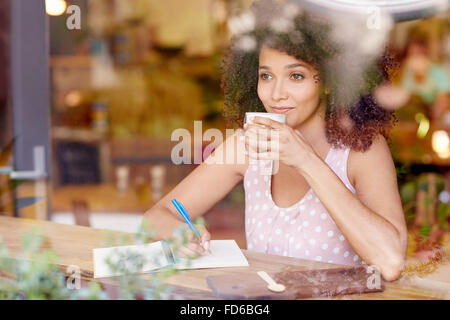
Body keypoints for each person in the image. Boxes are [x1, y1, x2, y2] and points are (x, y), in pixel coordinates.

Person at [144, 0, 408, 281]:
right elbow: (154, 217)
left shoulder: (361, 150)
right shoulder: (248, 147)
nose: (276, 93)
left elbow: (390, 262)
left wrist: (305, 159)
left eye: (296, 76)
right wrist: (177, 232)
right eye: (266, 76)